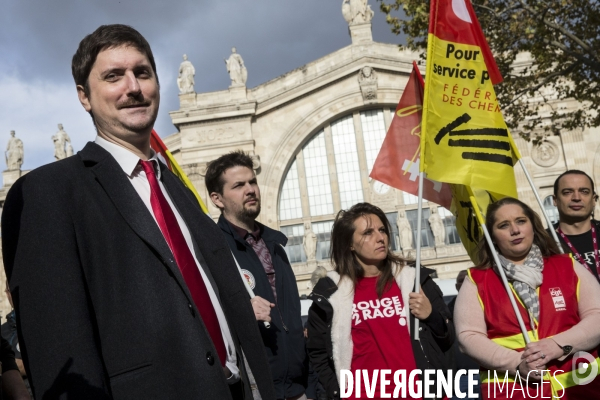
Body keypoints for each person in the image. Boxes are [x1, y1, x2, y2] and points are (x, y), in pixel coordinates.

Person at [1, 24, 275, 400]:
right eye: (114, 76)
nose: (133, 87)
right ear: (84, 96)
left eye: (142, 73)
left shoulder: (176, 187)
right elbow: (59, 349)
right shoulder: (48, 193)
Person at [455, 197, 600, 399]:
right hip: (514, 392)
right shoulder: (477, 280)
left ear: (533, 225)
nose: (515, 230)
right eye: (504, 225)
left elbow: (597, 316)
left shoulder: (567, 265)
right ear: (492, 236)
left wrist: (558, 345)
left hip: (580, 389)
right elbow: (468, 337)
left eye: (521, 221)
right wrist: (516, 364)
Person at [306, 202, 454, 399]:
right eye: (368, 232)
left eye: (382, 229)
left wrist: (431, 316)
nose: (380, 237)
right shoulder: (330, 293)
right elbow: (318, 354)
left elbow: (448, 339)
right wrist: (339, 391)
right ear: (349, 243)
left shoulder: (415, 280)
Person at [206, 151, 308, 400]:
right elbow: (204, 321)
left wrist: (311, 387)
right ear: (217, 199)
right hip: (254, 389)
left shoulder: (276, 245)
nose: (250, 189)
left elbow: (293, 319)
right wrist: (242, 312)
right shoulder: (212, 251)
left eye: (252, 182)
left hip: (298, 390)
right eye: (239, 185)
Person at [552, 170, 600, 282]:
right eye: (567, 192)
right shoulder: (542, 243)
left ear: (594, 199)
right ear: (555, 200)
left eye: (584, 191)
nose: (577, 197)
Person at [447, 271, 479, 400]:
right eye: (461, 280)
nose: (465, 282)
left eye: (468, 279)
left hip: (489, 374)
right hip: (461, 379)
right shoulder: (445, 312)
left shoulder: (489, 307)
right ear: (456, 286)